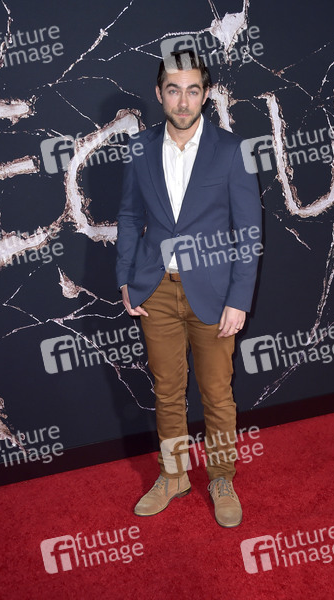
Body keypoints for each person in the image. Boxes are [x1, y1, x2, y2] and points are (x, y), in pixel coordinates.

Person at [116, 51, 262, 528]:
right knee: (168, 391)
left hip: (214, 293)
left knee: (217, 394)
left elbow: (249, 231)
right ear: (159, 94)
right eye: (174, 90)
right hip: (156, 289)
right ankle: (174, 475)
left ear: (206, 94)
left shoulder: (231, 150)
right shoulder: (140, 148)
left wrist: (239, 299)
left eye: (193, 90)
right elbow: (129, 217)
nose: (183, 101)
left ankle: (221, 478)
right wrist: (125, 277)